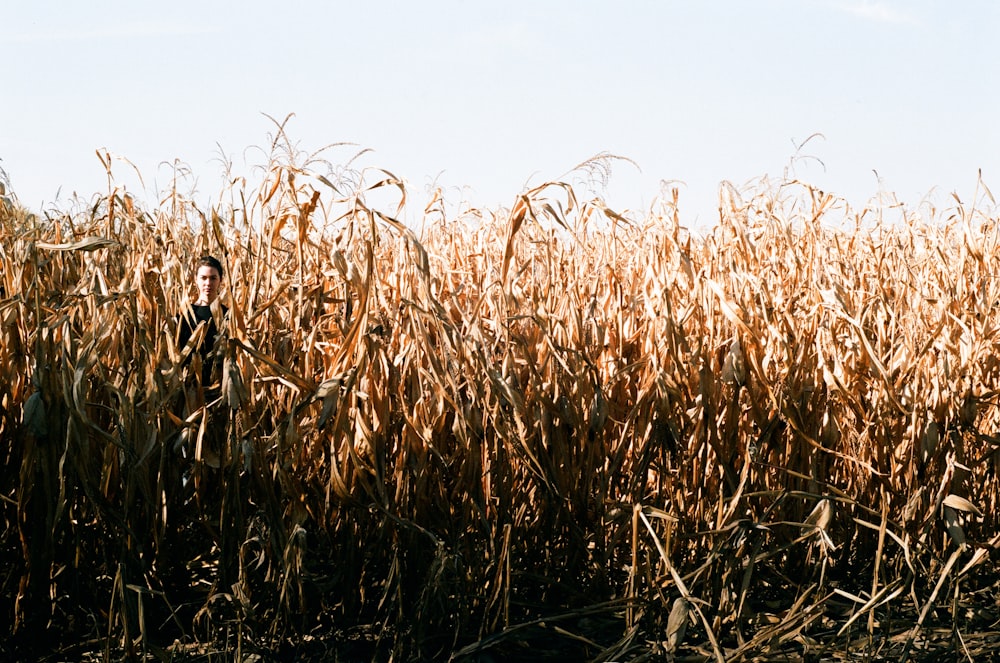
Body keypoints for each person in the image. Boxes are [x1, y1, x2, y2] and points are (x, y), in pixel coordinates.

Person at [176, 256, 228, 386]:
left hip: (220, 386)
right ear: (196, 280)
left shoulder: (228, 315)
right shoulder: (185, 315)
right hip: (189, 387)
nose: (208, 283)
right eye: (203, 278)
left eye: (213, 278)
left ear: (220, 280)